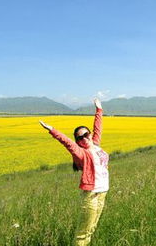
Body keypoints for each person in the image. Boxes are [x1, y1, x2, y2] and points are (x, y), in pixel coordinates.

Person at [39, 98, 109, 246]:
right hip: (91, 194)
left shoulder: (95, 144)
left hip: (103, 192)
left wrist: (99, 110)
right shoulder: (81, 153)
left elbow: (98, 127)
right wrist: (52, 130)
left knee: (92, 228)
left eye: (86, 135)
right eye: (80, 138)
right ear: (77, 141)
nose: (84, 138)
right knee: (83, 232)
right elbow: (67, 143)